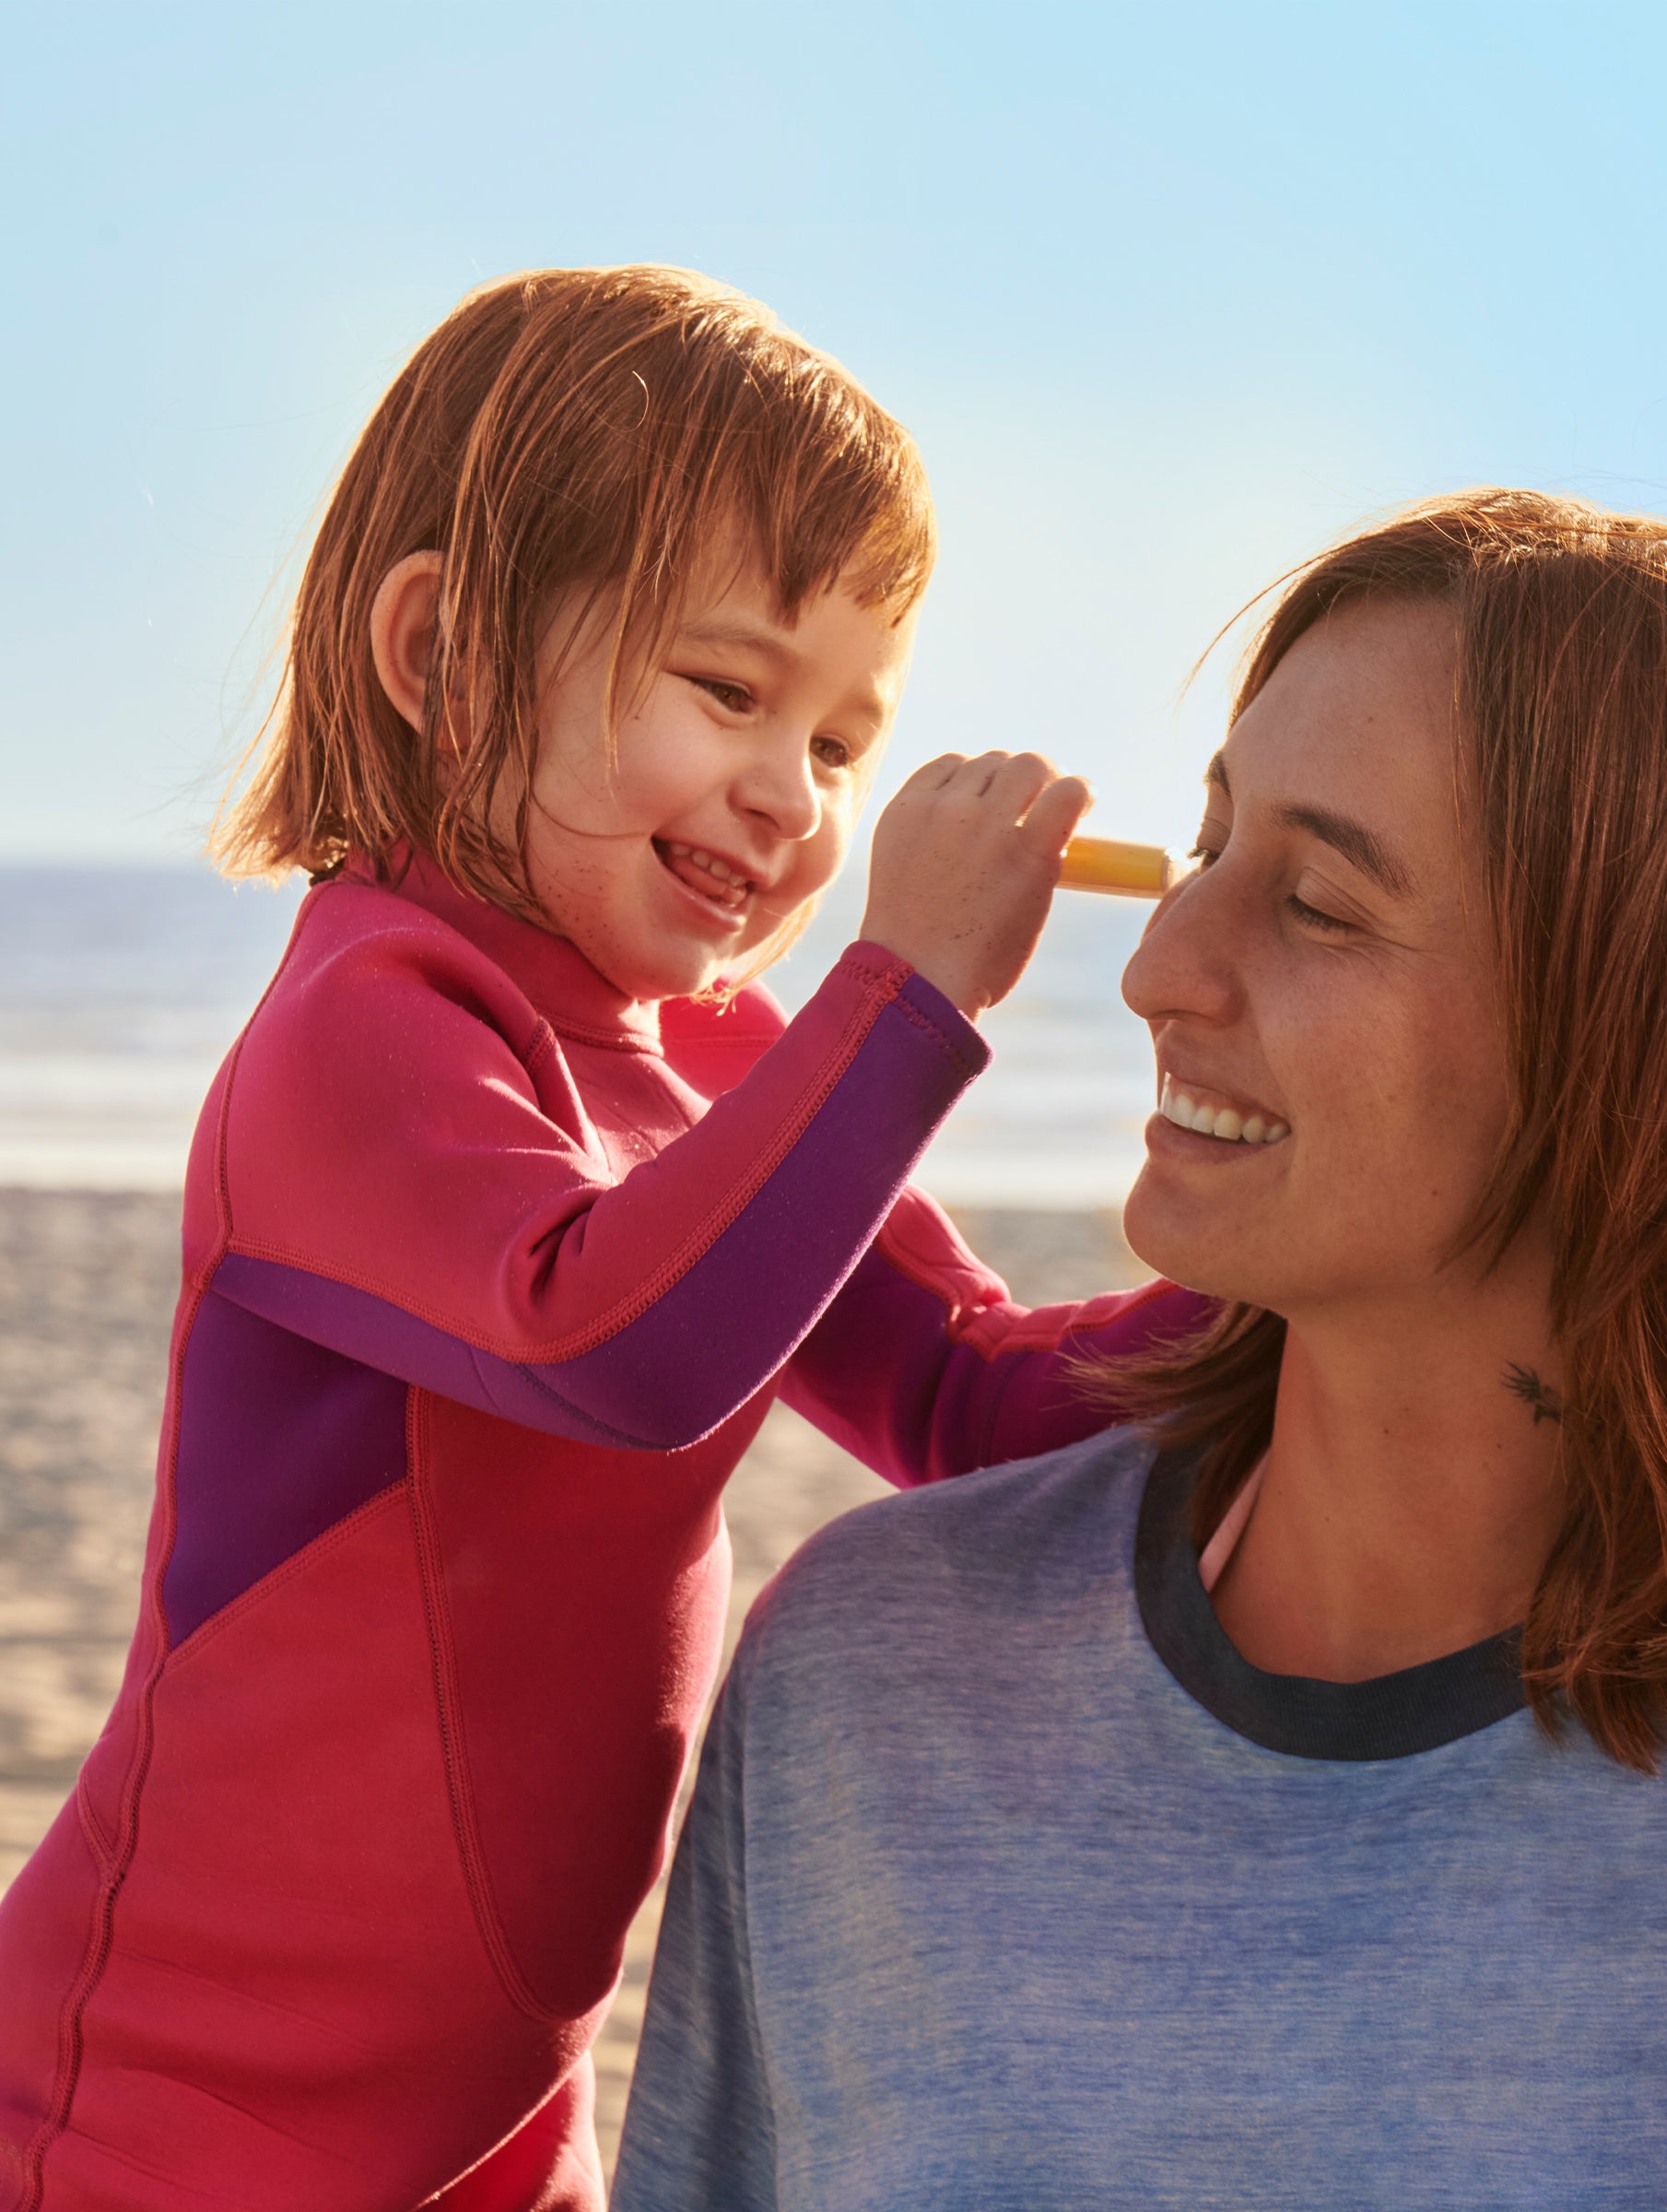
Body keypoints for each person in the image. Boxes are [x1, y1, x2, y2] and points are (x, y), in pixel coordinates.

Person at [0, 266, 1207, 2211]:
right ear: (443, 655)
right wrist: (905, 994)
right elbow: (608, 1352)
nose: (788, 797)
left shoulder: (730, 1063)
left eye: (836, 741)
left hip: (496, 2119)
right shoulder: (365, 1026)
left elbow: (966, 1399)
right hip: (168, 2118)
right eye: (731, 691)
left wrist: (1306, 1282)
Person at [615, 488, 1667, 2211]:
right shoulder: (868, 1680)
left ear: (1657, 1038)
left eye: (1319, 906)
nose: (1160, 970)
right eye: (1206, 853)